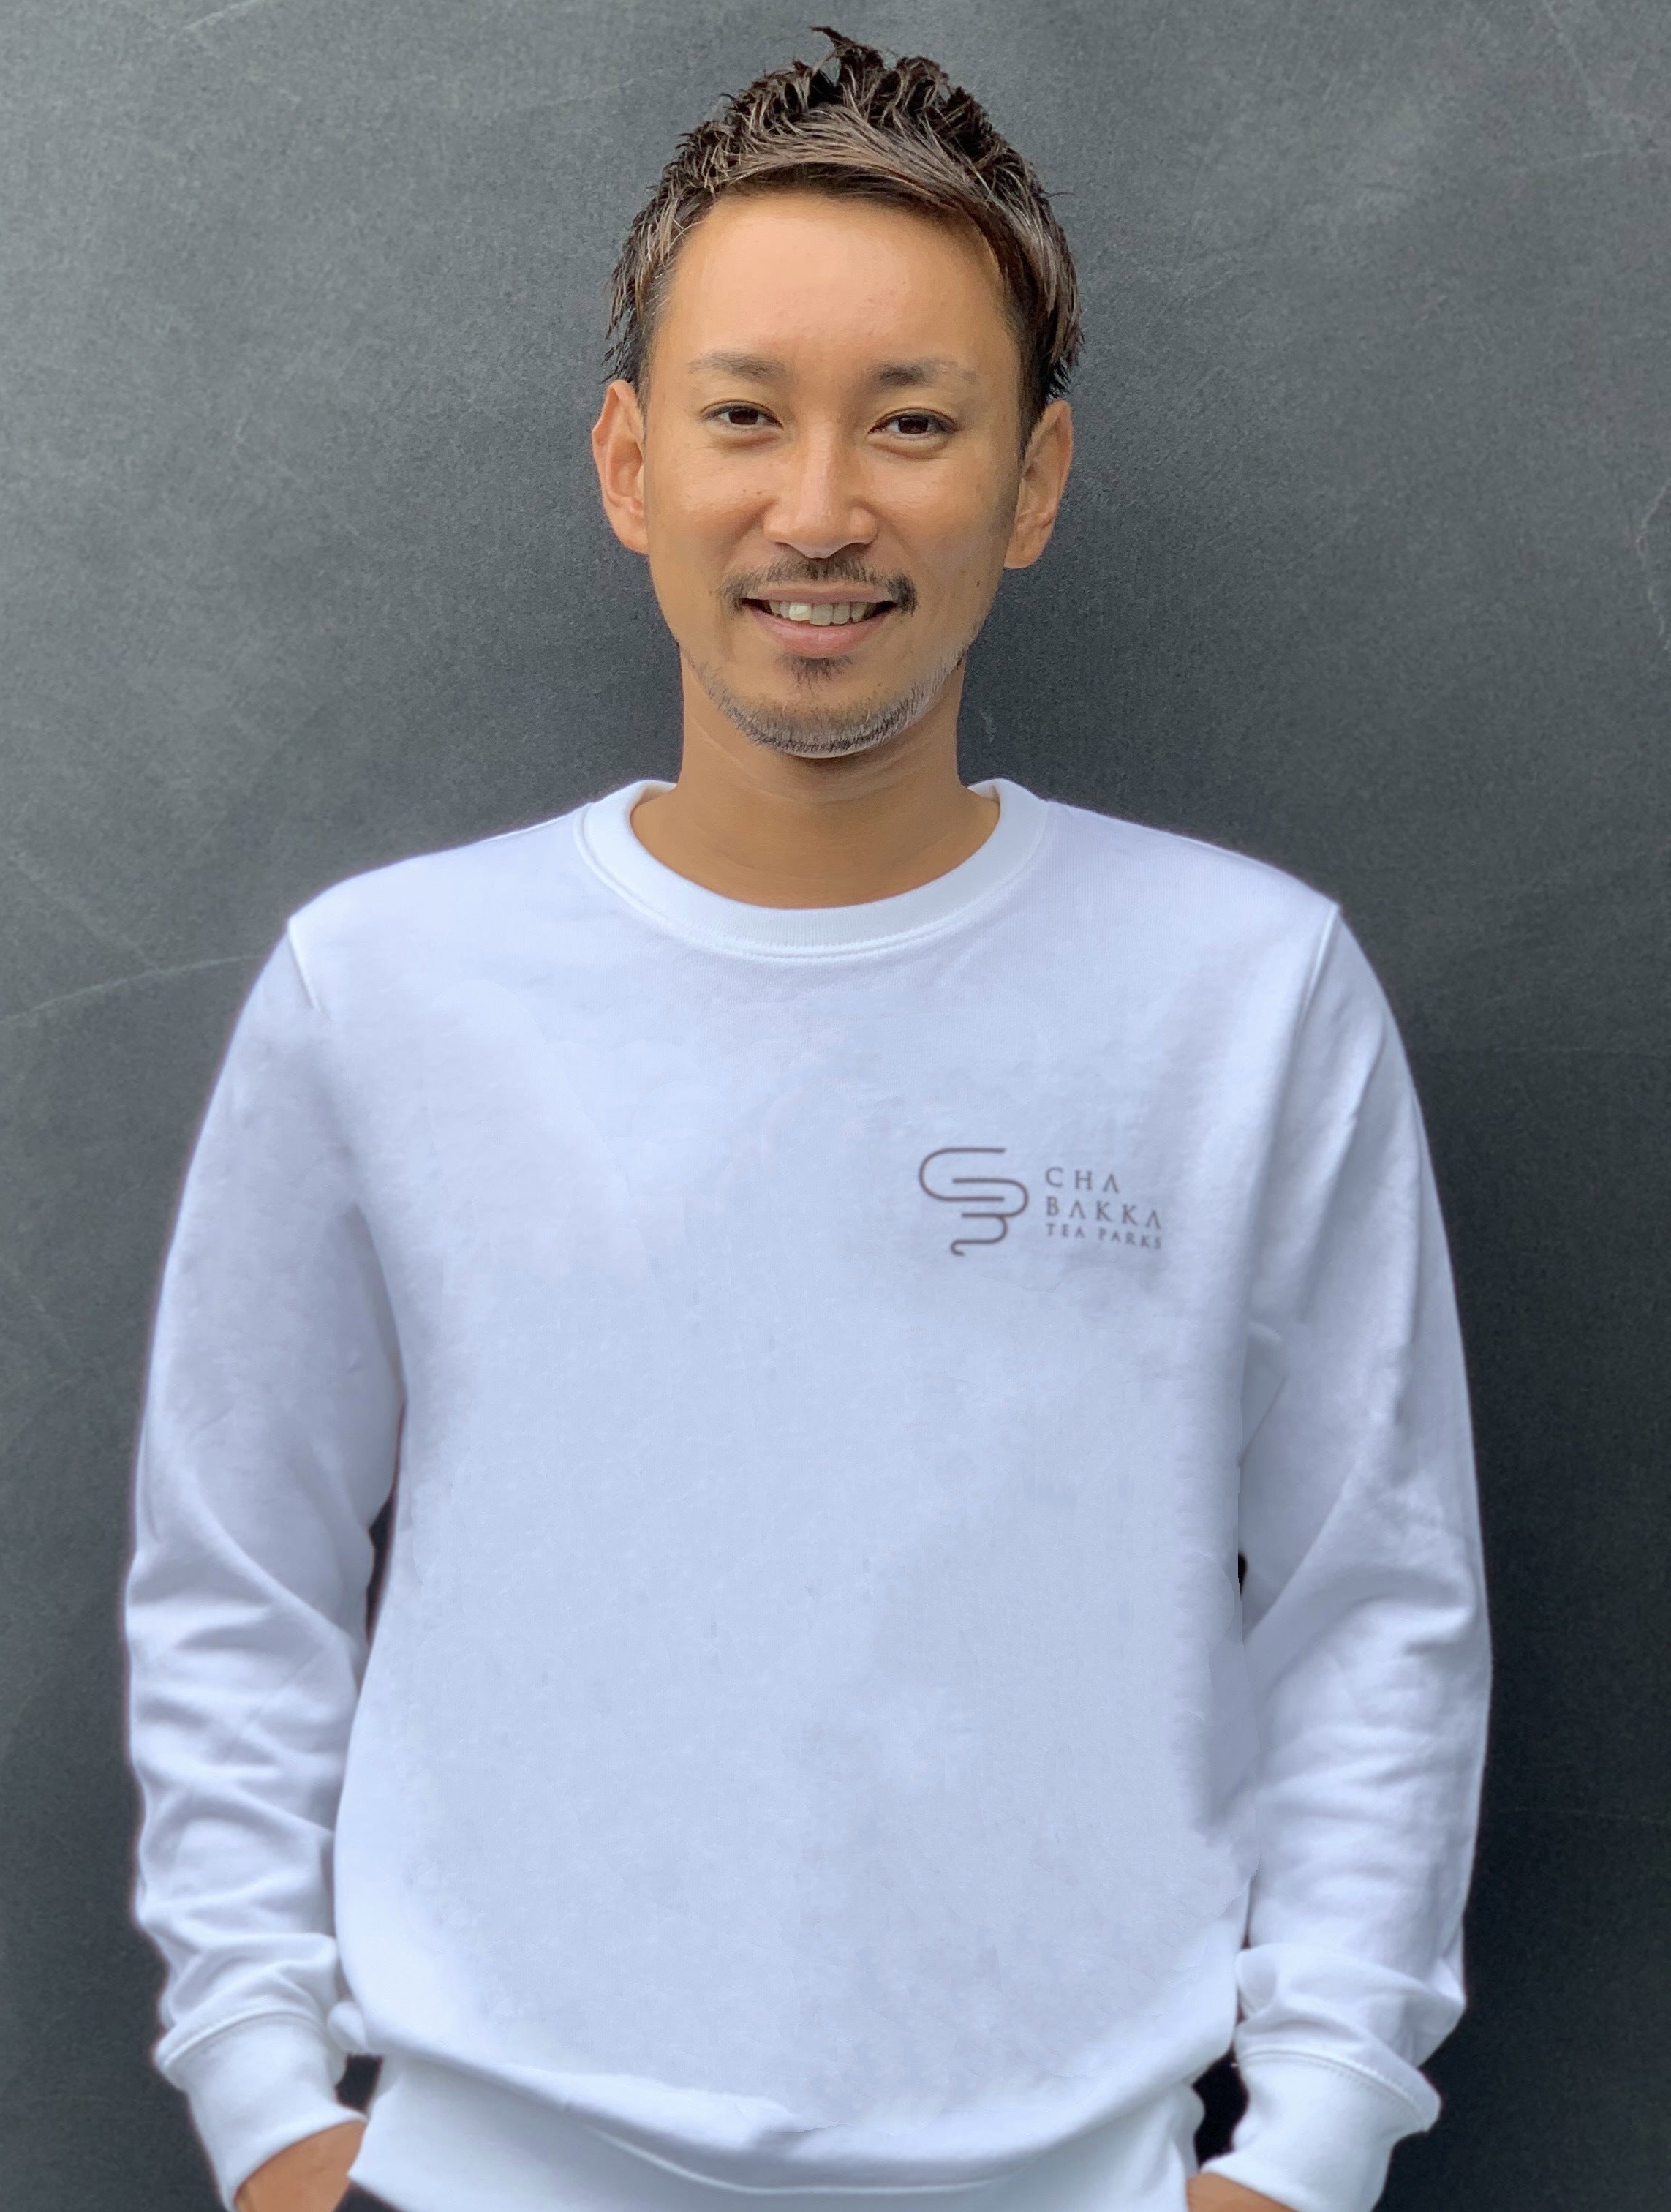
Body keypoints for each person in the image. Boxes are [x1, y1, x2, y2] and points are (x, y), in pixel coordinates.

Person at [121, 30, 1490, 2212]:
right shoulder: (385, 990)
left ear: (1033, 481)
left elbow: (1373, 1608)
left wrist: (1308, 2146)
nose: (822, 508)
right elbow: (239, 1578)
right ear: (628, 461)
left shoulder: (1246, 994)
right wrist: (269, 2112)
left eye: (913, 422)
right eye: (745, 414)